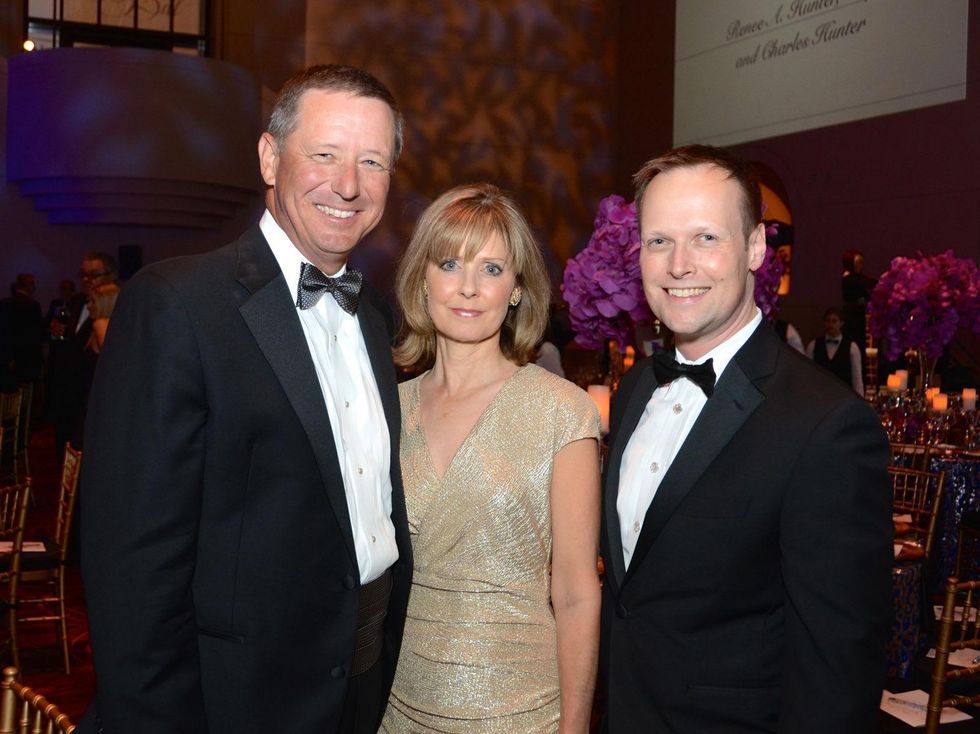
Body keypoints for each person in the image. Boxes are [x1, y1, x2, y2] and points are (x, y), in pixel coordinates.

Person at [79, 64, 413, 734]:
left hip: (363, 684)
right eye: (324, 155)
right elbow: (132, 566)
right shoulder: (178, 305)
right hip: (233, 702)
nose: (348, 185)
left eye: (371, 162)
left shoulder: (377, 318)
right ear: (269, 156)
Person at [599, 145, 892, 733]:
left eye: (706, 238)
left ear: (756, 247)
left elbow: (838, 670)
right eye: (659, 241)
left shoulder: (826, 424)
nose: (679, 264)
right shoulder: (633, 389)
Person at [381, 184, 601, 733]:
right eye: (450, 262)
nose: (470, 288)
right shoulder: (387, 409)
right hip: (396, 706)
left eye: (493, 268)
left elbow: (576, 592)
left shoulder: (561, 411)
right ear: (423, 279)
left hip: (520, 712)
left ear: (518, 290)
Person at [45, 252, 117, 449]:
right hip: (66, 390)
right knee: (64, 450)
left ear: (110, 275)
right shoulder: (76, 301)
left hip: (90, 393)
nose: (86, 279)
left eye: (93, 274)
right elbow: (64, 341)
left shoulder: (116, 308)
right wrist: (54, 334)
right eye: (83, 274)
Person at [807, 306, 864, 396]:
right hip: (820, 396)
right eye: (828, 321)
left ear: (841, 323)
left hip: (844, 397)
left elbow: (857, 379)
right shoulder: (813, 345)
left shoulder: (852, 347)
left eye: (834, 321)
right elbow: (809, 375)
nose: (830, 324)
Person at [0, 273, 43, 392]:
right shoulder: (33, 306)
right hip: (26, 361)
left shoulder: (4, 304)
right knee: (24, 398)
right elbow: (36, 336)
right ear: (30, 287)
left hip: (5, 359)